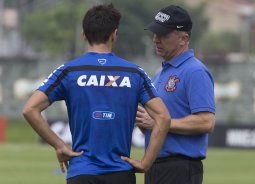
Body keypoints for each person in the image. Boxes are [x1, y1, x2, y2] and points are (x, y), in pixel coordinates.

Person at [22, 4, 170, 184]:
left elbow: (30, 109)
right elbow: (163, 117)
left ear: (84, 34)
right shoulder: (134, 73)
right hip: (121, 173)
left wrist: (59, 145)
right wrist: (146, 163)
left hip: (81, 172)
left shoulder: (69, 71)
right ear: (114, 34)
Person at [136, 5, 216, 184]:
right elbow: (155, 124)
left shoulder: (195, 71)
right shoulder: (161, 73)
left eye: (164, 35)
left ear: (184, 38)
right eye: (155, 33)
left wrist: (159, 122)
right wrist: (143, 121)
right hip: (155, 166)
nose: (156, 39)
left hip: (180, 168)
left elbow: (206, 122)